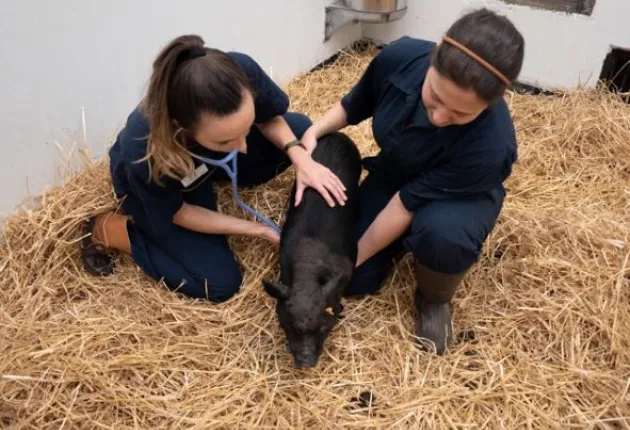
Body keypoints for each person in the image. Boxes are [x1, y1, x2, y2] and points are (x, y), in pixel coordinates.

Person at [301, 8, 525, 354]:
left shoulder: (491, 146)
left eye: (460, 114)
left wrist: (348, 263)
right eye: (435, 97)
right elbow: (355, 104)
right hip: (399, 172)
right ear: (432, 58)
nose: (438, 117)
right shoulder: (400, 57)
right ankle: (403, 247)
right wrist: (314, 132)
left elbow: (406, 203)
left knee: (444, 235)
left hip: (458, 198)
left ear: (492, 103)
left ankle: (434, 297)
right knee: (357, 282)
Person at [80, 34, 347, 302]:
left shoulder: (238, 72)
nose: (243, 147)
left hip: (202, 163)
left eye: (246, 127)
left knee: (298, 130)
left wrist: (299, 156)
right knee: (219, 284)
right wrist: (257, 229)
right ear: (180, 126)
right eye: (226, 139)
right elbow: (180, 213)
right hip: (170, 188)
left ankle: (220, 156)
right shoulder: (145, 151)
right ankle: (110, 229)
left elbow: (269, 120)